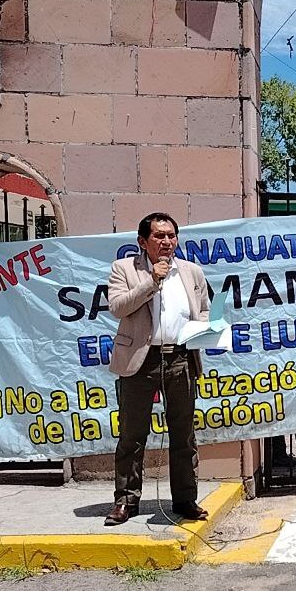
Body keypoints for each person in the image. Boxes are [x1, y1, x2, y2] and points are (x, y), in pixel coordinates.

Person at [105, 212, 211, 526]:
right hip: (140, 360)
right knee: (132, 435)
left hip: (179, 359)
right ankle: (125, 501)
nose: (166, 242)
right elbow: (118, 307)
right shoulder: (125, 269)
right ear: (142, 242)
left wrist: (202, 329)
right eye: (158, 236)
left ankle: (185, 500)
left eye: (171, 236)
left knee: (183, 434)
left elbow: (203, 308)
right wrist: (152, 281)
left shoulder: (191, 271)